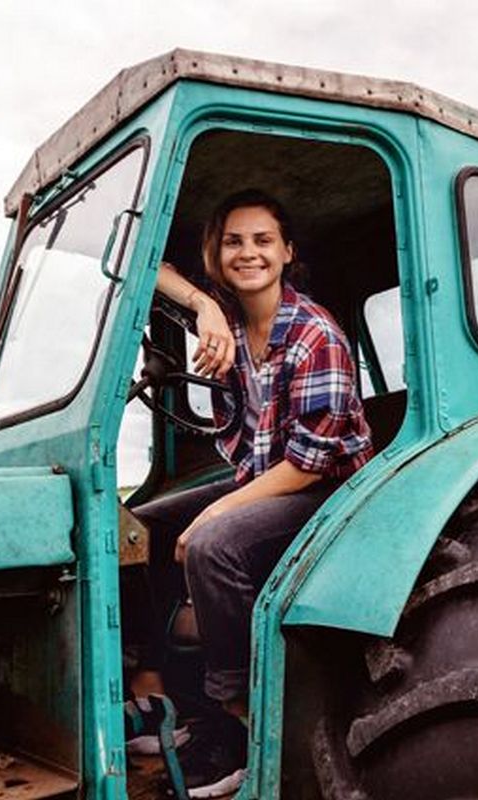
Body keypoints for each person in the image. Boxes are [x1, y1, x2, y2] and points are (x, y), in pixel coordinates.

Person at [130, 189, 373, 797]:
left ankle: (241, 723)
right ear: (215, 254)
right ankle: (179, 704)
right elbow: (147, 267)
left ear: (286, 251)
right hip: (260, 480)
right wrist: (201, 308)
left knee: (214, 545)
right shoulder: (228, 320)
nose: (249, 253)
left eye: (263, 240)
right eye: (233, 241)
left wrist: (216, 510)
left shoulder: (317, 336)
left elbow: (309, 463)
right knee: (139, 527)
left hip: (331, 491)